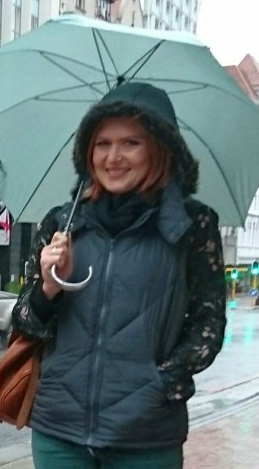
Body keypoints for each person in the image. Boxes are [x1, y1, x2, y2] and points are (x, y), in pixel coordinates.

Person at [12, 82, 227, 468]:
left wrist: (160, 385)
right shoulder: (63, 222)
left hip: (146, 438)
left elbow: (208, 325)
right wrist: (49, 286)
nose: (113, 157)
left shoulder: (192, 227)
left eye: (131, 143)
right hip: (61, 433)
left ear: (160, 149)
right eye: (102, 143)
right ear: (86, 152)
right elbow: (26, 323)